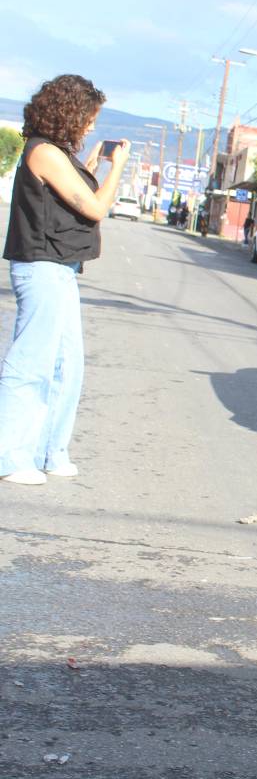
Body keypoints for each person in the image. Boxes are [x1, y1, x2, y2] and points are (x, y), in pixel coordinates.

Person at [0, 74, 130, 485]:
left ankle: (49, 451)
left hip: (60, 269)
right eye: (89, 117)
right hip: (42, 268)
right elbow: (93, 208)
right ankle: (10, 456)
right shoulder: (44, 152)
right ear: (70, 113)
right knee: (31, 364)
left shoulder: (57, 154)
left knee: (65, 366)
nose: (92, 126)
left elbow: (64, 198)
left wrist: (91, 164)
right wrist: (118, 171)